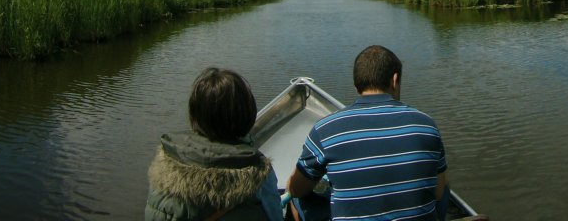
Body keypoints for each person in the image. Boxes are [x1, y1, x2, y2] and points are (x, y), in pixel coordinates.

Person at [287, 45, 449, 221]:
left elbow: (296, 189)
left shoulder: (325, 129)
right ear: (395, 80)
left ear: (357, 86)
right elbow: (438, 192)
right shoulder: (427, 124)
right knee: (443, 184)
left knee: (297, 198)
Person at [145, 67, 284, 221]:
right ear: (246, 114)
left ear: (195, 115)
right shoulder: (257, 170)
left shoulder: (166, 157)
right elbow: (275, 217)